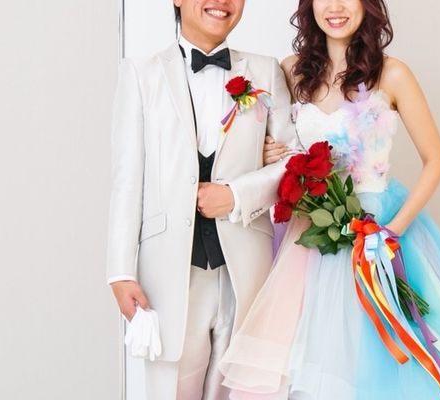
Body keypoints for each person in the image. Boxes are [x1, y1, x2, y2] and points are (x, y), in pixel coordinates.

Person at [218, 0, 440, 399]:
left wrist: (390, 232)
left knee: (384, 356)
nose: (335, 8)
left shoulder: (393, 74)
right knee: (304, 361)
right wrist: (271, 151)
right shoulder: (292, 70)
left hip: (378, 227)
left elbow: (436, 161)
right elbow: (282, 144)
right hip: (310, 233)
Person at [106, 0, 296, 398]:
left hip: (246, 266)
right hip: (169, 272)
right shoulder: (141, 74)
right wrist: (120, 272)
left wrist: (236, 195)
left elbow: (293, 161)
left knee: (242, 389)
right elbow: (127, 179)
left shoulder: (266, 71)